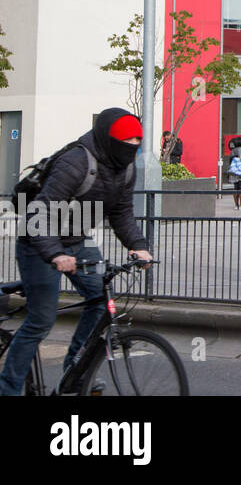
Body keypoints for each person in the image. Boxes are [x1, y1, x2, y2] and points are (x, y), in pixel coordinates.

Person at [0, 108, 154, 396]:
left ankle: (75, 369)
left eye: (137, 143)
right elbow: (39, 212)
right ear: (109, 140)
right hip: (39, 243)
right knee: (41, 320)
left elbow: (122, 212)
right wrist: (55, 254)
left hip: (78, 240)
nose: (131, 149)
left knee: (100, 302)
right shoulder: (76, 162)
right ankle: (8, 388)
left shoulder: (126, 169)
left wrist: (139, 246)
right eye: (126, 143)